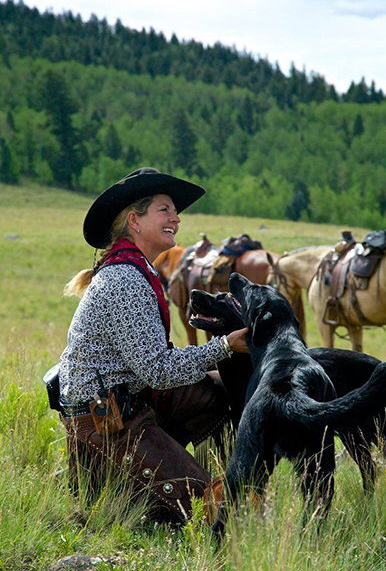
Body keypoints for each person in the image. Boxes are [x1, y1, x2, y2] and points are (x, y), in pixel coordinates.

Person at [56, 167, 248, 523]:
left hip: (128, 401)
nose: (176, 218)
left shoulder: (134, 269)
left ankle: (220, 475)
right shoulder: (126, 279)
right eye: (165, 210)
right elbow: (157, 370)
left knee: (222, 391)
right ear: (134, 220)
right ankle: (150, 489)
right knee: (214, 510)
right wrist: (224, 346)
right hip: (110, 421)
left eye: (175, 212)